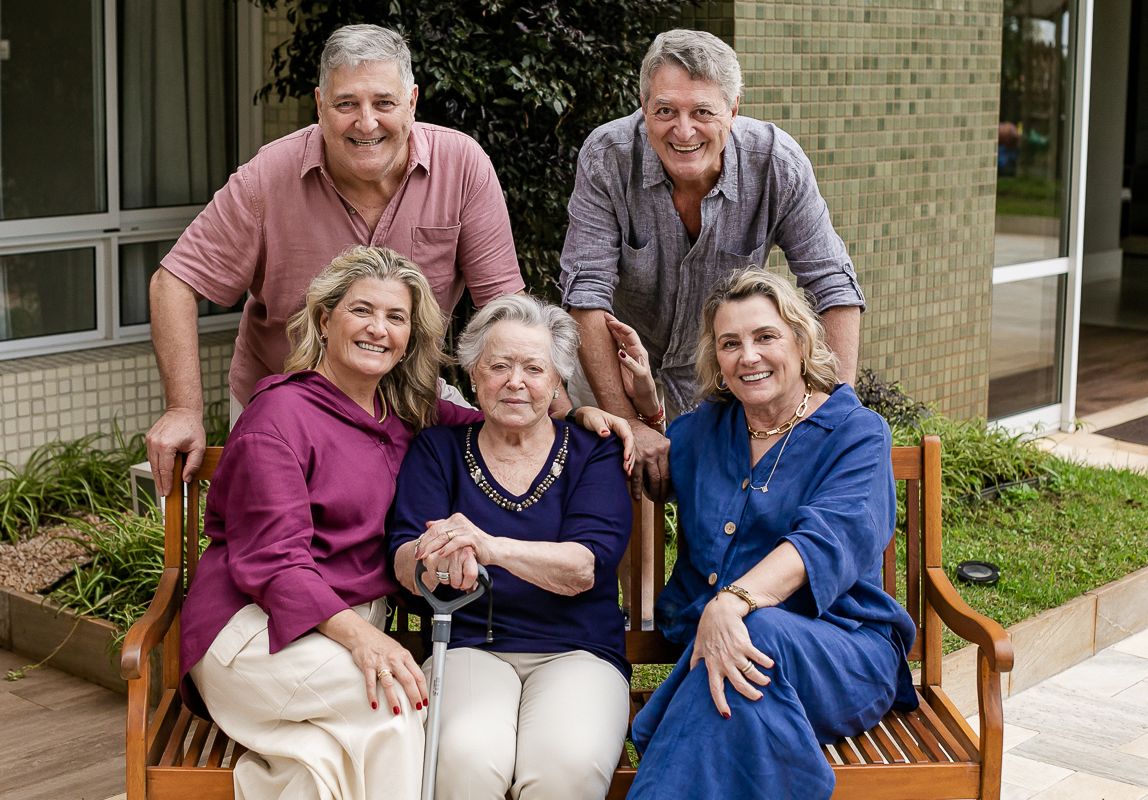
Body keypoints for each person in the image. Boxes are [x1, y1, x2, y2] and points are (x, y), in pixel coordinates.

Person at [179, 248, 628, 800]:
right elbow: (274, 564)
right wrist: (367, 639)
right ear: (324, 320)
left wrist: (576, 413)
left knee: (318, 764)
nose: (379, 329)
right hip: (258, 629)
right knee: (403, 712)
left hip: (333, 636)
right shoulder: (277, 419)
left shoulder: (402, 414)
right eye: (362, 310)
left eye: (396, 318)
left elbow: (509, 414)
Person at [146, 23, 525, 497]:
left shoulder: (463, 166)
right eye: (347, 104)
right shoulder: (269, 175)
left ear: (411, 102)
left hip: (409, 405)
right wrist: (184, 409)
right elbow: (173, 282)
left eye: (383, 103)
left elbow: (505, 309)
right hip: (283, 416)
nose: (366, 123)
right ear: (321, 105)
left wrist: (550, 408)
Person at [614, 269, 917, 800]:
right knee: (742, 691)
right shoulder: (708, 429)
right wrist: (631, 411)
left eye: (765, 337)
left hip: (840, 655)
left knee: (759, 634)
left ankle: (659, 737)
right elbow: (649, 456)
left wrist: (731, 603)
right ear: (717, 360)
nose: (748, 356)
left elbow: (824, 542)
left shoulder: (855, 433)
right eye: (730, 344)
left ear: (801, 342)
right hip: (724, 658)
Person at [560, 28, 866, 499]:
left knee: (723, 512)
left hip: (718, 377)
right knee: (610, 500)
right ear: (644, 107)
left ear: (733, 109)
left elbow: (835, 286)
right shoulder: (607, 157)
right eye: (665, 111)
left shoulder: (776, 163)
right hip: (612, 365)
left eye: (703, 112)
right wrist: (627, 422)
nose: (683, 131)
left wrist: (838, 415)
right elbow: (585, 297)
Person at [387, 295, 633, 800]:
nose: (515, 381)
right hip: (468, 647)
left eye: (533, 368)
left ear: (557, 382)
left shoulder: (594, 452)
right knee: (467, 756)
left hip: (579, 650)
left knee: (567, 766)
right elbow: (406, 557)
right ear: (474, 376)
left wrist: (486, 547)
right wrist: (428, 561)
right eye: (498, 365)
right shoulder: (439, 450)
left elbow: (583, 567)